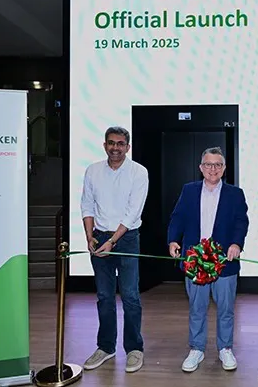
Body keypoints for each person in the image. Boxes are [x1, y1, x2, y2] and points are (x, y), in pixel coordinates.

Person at [167, 147, 249, 373]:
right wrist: (173, 240)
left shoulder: (235, 193)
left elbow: (241, 222)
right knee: (197, 307)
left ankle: (225, 348)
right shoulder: (189, 190)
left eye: (218, 165)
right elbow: (178, 218)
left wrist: (236, 244)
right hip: (195, 263)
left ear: (224, 168)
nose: (213, 169)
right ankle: (197, 348)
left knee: (226, 309)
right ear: (201, 167)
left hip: (225, 262)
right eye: (208, 164)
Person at [80, 126, 150, 373]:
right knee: (104, 297)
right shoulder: (93, 171)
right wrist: (90, 237)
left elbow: (133, 212)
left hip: (127, 238)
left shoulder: (138, 172)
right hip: (99, 238)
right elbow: (87, 205)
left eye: (120, 143)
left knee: (130, 296)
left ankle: (134, 348)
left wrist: (113, 241)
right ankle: (106, 347)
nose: (115, 148)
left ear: (127, 147)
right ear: (104, 145)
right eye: (111, 143)